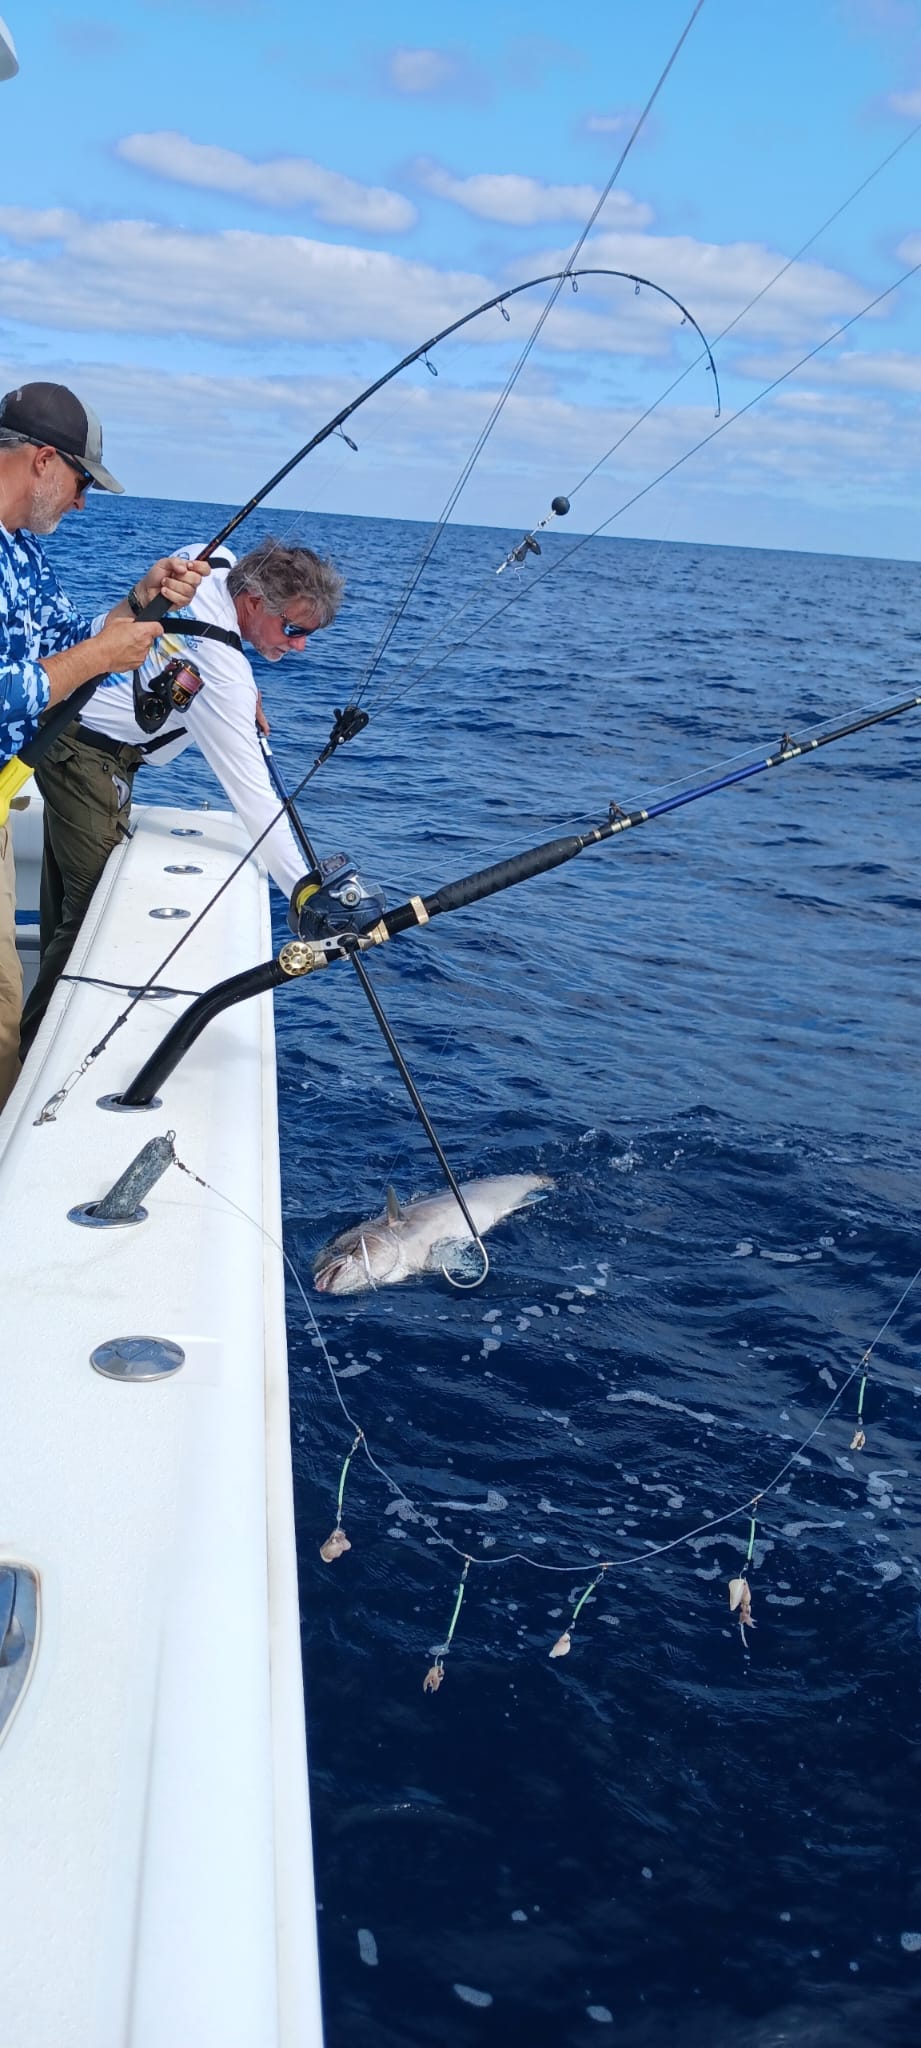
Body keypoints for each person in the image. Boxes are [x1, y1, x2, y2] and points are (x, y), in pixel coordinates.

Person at [19, 537, 344, 1052]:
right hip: (87, 759)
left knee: (66, 901)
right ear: (254, 604)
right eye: (293, 629)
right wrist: (305, 891)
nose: (300, 645)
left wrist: (245, 681)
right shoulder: (225, 679)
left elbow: (219, 557)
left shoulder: (211, 566)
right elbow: (255, 797)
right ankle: (39, 1048)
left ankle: (32, 1032)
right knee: (90, 918)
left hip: (66, 734)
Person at [0, 379, 209, 1107]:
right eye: (81, 483)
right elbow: (36, 677)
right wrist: (98, 661)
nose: (83, 503)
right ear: (43, 461)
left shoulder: (20, 554)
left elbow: (64, 640)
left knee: (3, 1008)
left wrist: (140, 598)